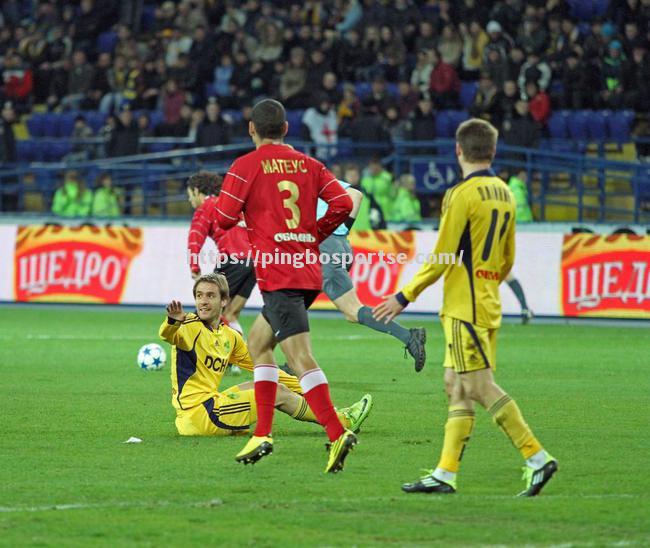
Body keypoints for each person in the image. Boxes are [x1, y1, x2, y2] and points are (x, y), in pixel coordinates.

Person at [373, 118, 557, 497]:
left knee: (477, 385)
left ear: (458, 150)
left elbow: (442, 255)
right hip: (487, 300)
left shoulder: (461, 194)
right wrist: (487, 280)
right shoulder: (505, 192)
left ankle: (536, 456)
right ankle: (445, 473)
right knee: (454, 385)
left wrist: (403, 295)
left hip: (464, 307)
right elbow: (507, 258)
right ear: (492, 150)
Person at [215, 99, 357, 473]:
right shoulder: (310, 165)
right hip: (307, 268)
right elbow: (342, 203)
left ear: (251, 129)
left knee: (298, 357)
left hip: (280, 272)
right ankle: (262, 433)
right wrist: (313, 234)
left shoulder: (246, 166)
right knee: (259, 344)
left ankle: (336, 430)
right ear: (287, 128)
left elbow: (226, 217)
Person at [161, 273, 372, 437]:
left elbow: (266, 369)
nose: (203, 302)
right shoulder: (187, 324)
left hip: (211, 405)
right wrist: (172, 321)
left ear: (224, 301)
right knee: (275, 393)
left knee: (265, 382)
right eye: (199, 296)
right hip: (198, 415)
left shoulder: (229, 336)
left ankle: (331, 412)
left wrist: (308, 391)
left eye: (210, 296)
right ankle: (341, 422)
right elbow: (167, 334)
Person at [316, 175, 427, 372]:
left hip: (324, 247)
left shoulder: (294, 186)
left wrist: (328, 234)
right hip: (341, 245)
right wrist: (341, 231)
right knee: (295, 303)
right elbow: (356, 195)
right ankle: (294, 363)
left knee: (352, 311)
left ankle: (409, 336)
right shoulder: (317, 178)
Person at [186, 172, 253, 338]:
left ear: (196, 191)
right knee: (230, 314)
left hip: (233, 260)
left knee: (205, 312)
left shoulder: (206, 206)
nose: (190, 200)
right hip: (256, 262)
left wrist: (194, 265)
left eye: (189, 195)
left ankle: (196, 359)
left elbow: (195, 237)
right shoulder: (233, 204)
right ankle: (235, 359)